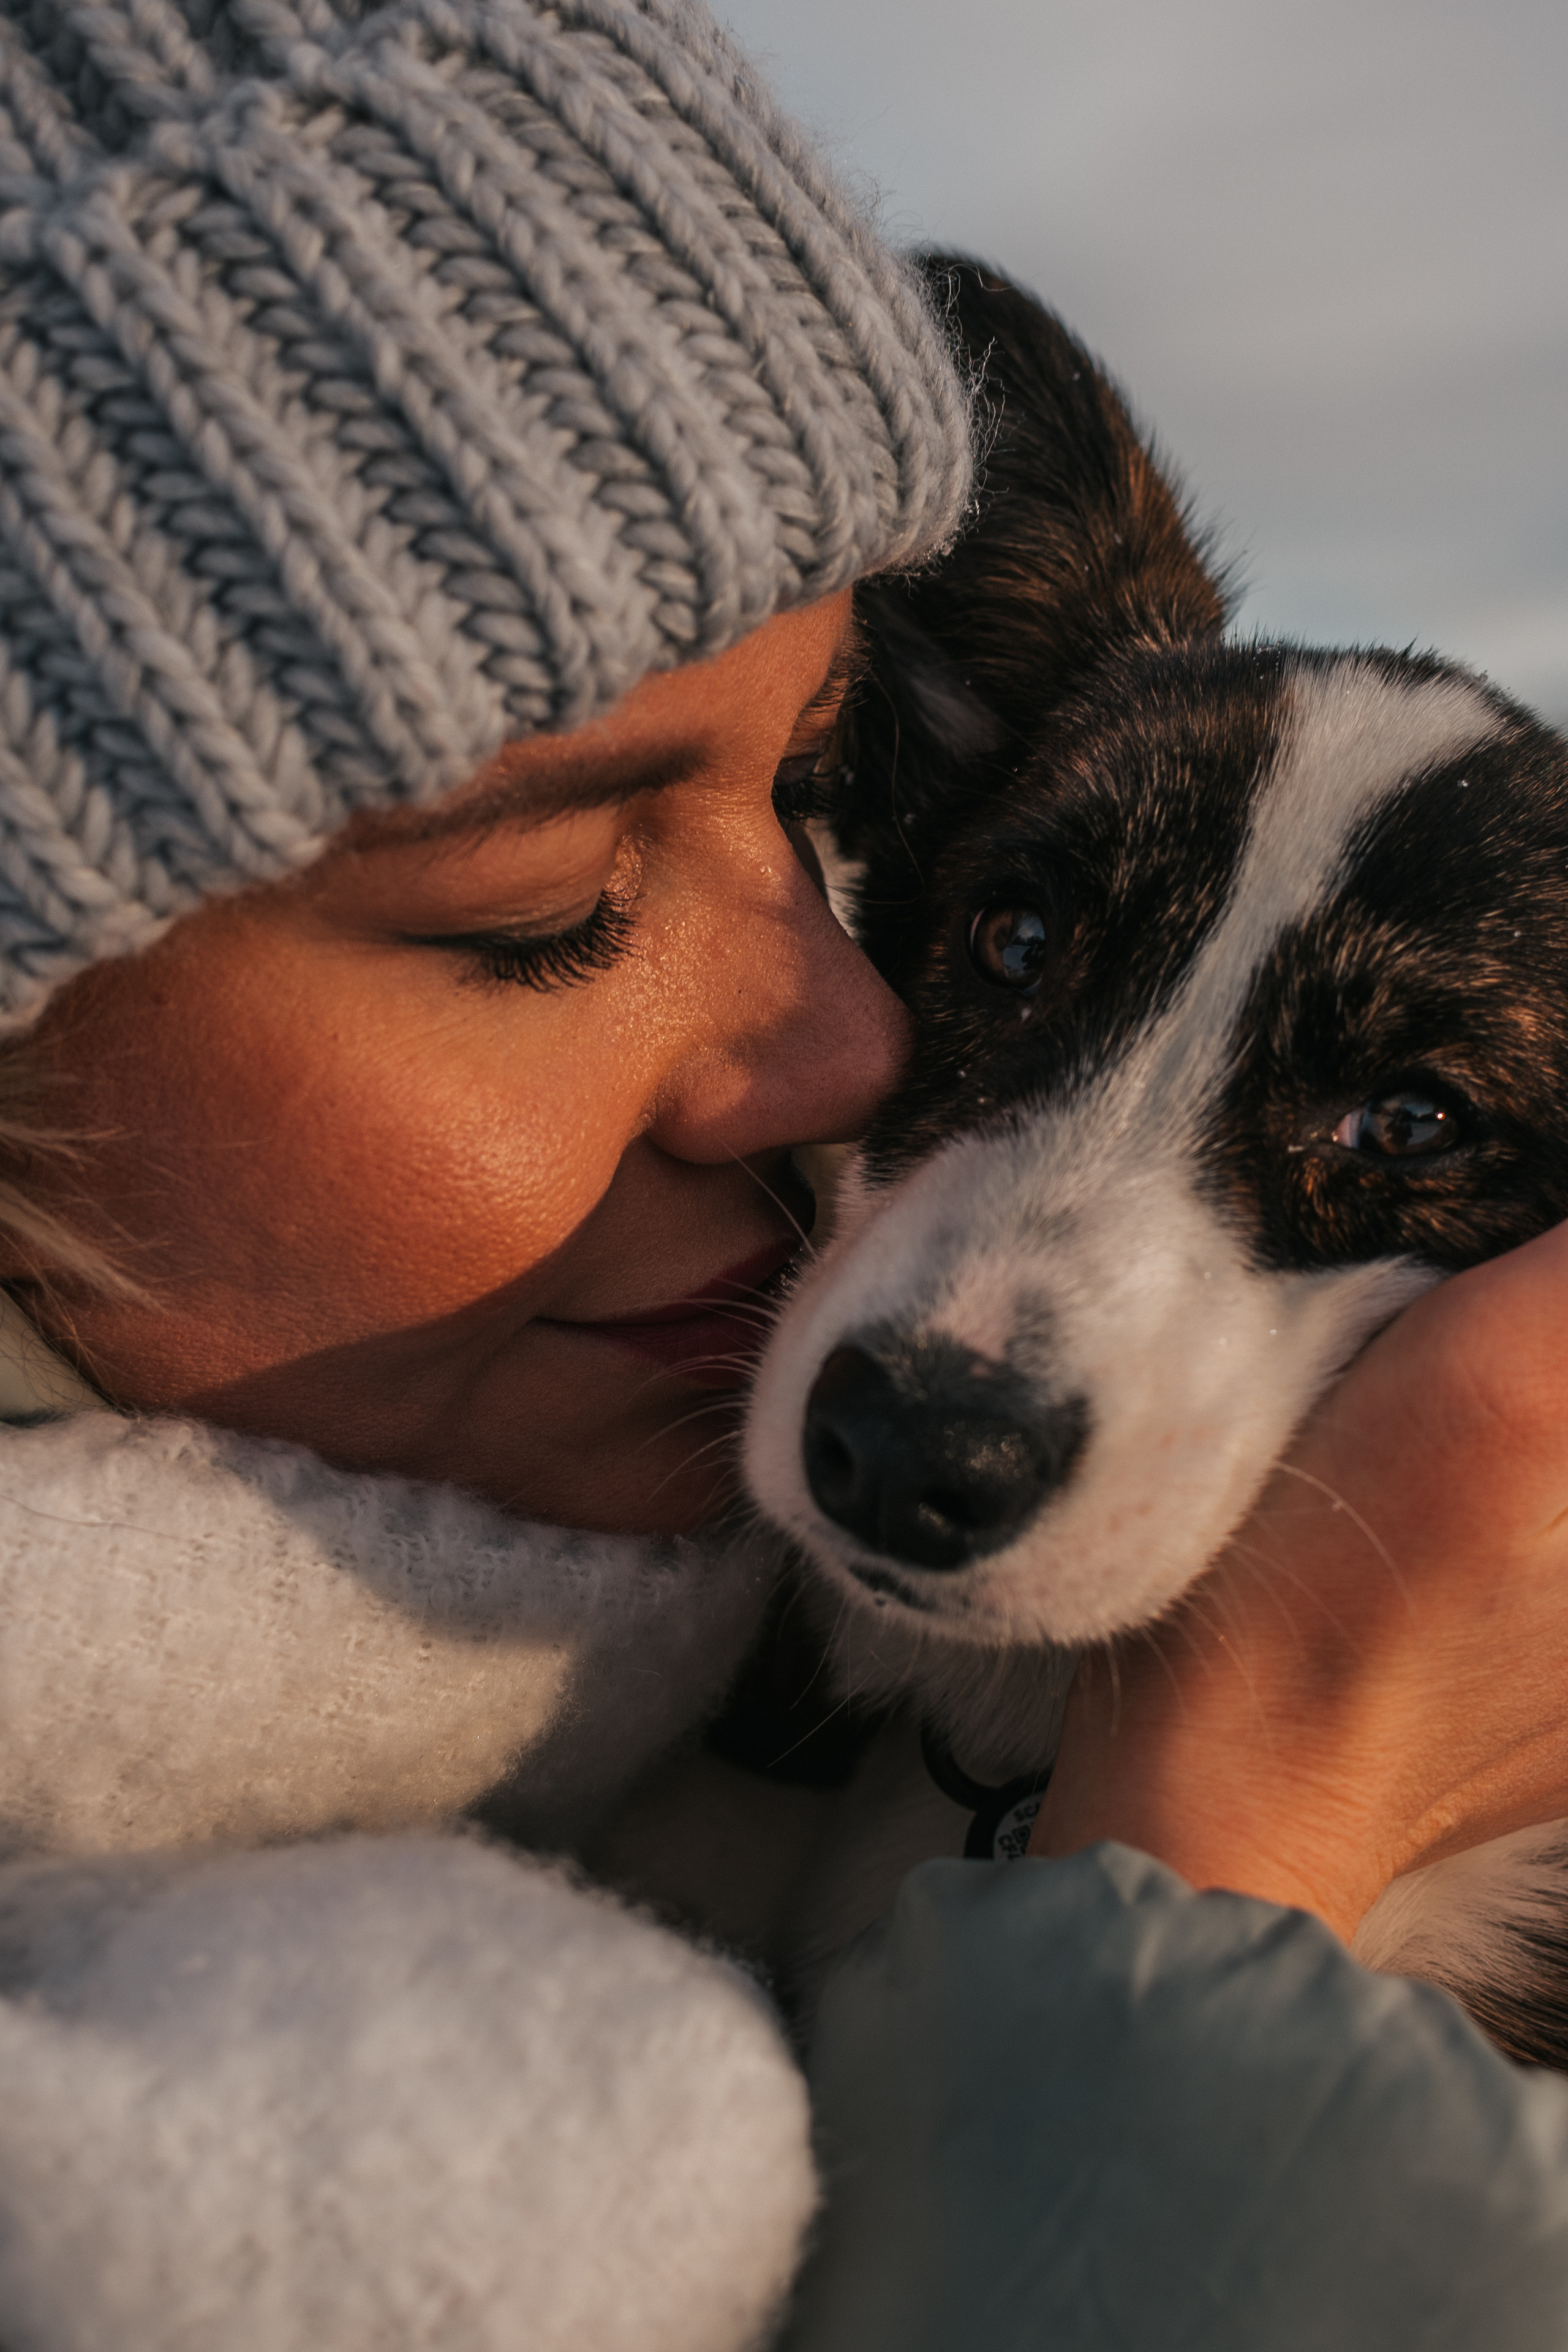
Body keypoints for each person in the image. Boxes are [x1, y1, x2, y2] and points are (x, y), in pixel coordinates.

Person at [0, 2, 1567, 2347]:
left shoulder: (659, 1666)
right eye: (546, 914)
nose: (843, 1043)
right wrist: (1249, 1822)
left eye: (1407, 1125)